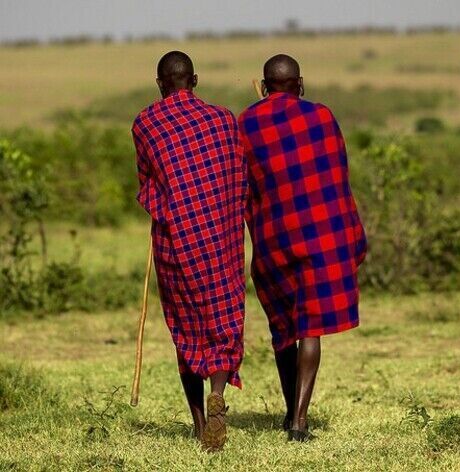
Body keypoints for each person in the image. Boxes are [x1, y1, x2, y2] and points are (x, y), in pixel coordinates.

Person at [239, 54, 367, 442]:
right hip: (320, 236)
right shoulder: (323, 117)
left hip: (274, 239)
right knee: (309, 327)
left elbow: (243, 187)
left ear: (263, 86)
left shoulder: (245, 123)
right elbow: (336, 177)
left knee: (283, 328)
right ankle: (298, 422)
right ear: (300, 84)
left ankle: (289, 412)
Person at [132, 51, 246, 451]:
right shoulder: (223, 120)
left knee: (185, 327)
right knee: (222, 316)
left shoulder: (145, 123)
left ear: (160, 83)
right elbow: (238, 180)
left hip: (175, 241)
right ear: (194, 80)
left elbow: (147, 186)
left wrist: (166, 207)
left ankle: (200, 423)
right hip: (220, 239)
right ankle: (219, 395)